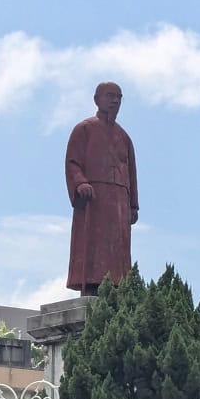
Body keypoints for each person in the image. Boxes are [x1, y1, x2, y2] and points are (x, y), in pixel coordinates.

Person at [65, 81, 138, 296]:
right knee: (94, 247)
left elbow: (132, 172)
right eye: (109, 95)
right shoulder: (84, 129)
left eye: (119, 97)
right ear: (97, 99)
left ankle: (118, 287)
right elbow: (72, 162)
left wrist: (133, 205)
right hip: (95, 200)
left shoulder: (125, 138)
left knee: (119, 251)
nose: (115, 100)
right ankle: (93, 286)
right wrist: (80, 183)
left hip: (120, 203)